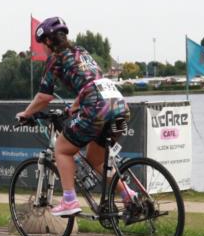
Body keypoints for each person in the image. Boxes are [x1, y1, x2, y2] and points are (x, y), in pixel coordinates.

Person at [16, 17, 134, 216]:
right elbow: (92, 81)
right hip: (119, 105)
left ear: (47, 41)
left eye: (41, 44)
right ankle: (130, 196)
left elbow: (45, 95)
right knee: (96, 160)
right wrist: (74, 107)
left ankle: (69, 200)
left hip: (97, 106)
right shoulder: (82, 52)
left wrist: (27, 113)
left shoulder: (56, 58)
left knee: (62, 149)